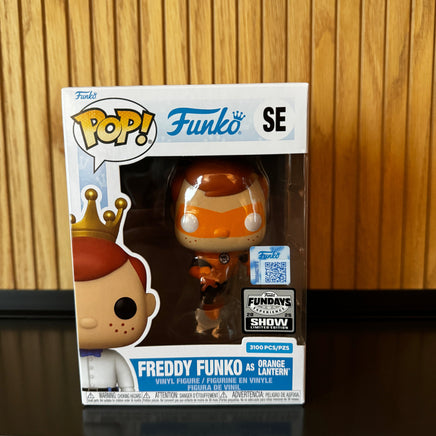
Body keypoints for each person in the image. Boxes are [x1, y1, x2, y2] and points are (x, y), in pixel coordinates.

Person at [71, 188, 157, 392]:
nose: (88, 321)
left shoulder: (116, 359)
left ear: (148, 305)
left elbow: (128, 387)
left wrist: (130, 399)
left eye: (123, 308)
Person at [172, 158, 268, 337]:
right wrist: (206, 274)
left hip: (235, 286)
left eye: (251, 220)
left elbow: (250, 262)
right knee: (208, 303)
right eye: (192, 221)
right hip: (208, 287)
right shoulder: (201, 256)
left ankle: (224, 324)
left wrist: (252, 267)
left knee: (235, 300)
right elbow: (195, 268)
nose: (221, 231)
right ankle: (206, 326)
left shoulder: (241, 252)